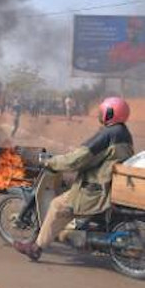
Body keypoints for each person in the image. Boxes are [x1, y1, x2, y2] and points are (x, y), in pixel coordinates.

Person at [13, 97, 134, 261]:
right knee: (68, 190)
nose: (100, 115)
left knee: (58, 205)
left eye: (103, 112)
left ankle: (36, 248)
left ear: (110, 113)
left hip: (96, 190)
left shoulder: (109, 134)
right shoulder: (123, 133)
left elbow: (78, 159)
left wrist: (51, 162)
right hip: (109, 184)